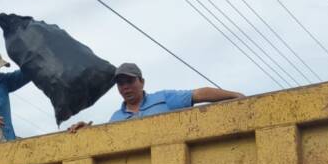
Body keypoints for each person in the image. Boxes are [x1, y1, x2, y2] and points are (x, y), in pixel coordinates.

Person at [69, 62, 244, 130]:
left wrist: (234, 96)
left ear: (142, 82)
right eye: (120, 83)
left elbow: (199, 94)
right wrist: (87, 131)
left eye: (129, 81)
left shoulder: (164, 99)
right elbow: (104, 140)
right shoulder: (116, 118)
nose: (125, 87)